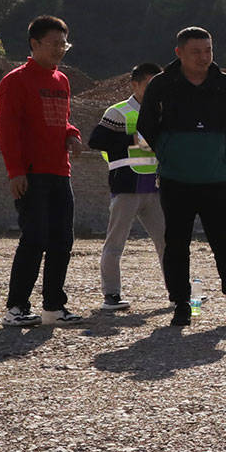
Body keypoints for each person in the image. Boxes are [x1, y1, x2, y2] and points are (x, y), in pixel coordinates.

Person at [137, 27, 226, 330]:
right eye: (196, 51)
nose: (203, 57)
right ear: (179, 52)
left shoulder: (224, 84)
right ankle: (182, 306)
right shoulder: (162, 84)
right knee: (177, 245)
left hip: (215, 180)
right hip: (175, 180)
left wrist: (211, 148)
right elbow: (146, 125)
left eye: (208, 50)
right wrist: (170, 151)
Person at [0, 15, 81, 327]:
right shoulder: (15, 81)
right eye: (54, 43)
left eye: (64, 44)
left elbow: (62, 119)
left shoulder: (62, 81)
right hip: (32, 174)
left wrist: (71, 134)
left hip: (60, 172)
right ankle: (16, 308)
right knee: (34, 238)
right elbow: (8, 130)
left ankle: (54, 307)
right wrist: (15, 172)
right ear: (35, 44)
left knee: (62, 240)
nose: (60, 49)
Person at [87, 62, 168, 312]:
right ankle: (111, 295)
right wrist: (132, 139)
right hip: (126, 187)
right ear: (135, 85)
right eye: (149, 84)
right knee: (115, 243)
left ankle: (179, 292)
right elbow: (96, 140)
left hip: (154, 188)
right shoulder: (118, 112)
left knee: (168, 242)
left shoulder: (162, 112)